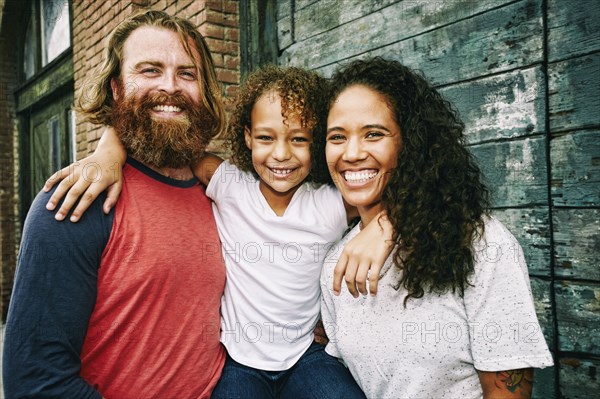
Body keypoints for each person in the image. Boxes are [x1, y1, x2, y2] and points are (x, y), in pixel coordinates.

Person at [40, 65, 394, 398]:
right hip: (238, 362)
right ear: (248, 137)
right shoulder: (229, 185)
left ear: (315, 143)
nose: (281, 155)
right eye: (266, 138)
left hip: (304, 356)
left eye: (298, 139)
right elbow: (166, 142)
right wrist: (108, 148)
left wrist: (382, 224)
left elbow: (392, 194)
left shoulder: (330, 205)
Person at [3, 10, 228, 398]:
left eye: (187, 74)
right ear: (117, 88)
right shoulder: (76, 202)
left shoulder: (222, 192)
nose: (171, 87)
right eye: (150, 70)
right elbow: (36, 382)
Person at [320, 57, 554, 399]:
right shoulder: (335, 264)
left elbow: (509, 392)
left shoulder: (479, 244)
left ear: (410, 143)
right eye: (337, 137)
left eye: (374, 134)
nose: (352, 153)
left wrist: (391, 222)